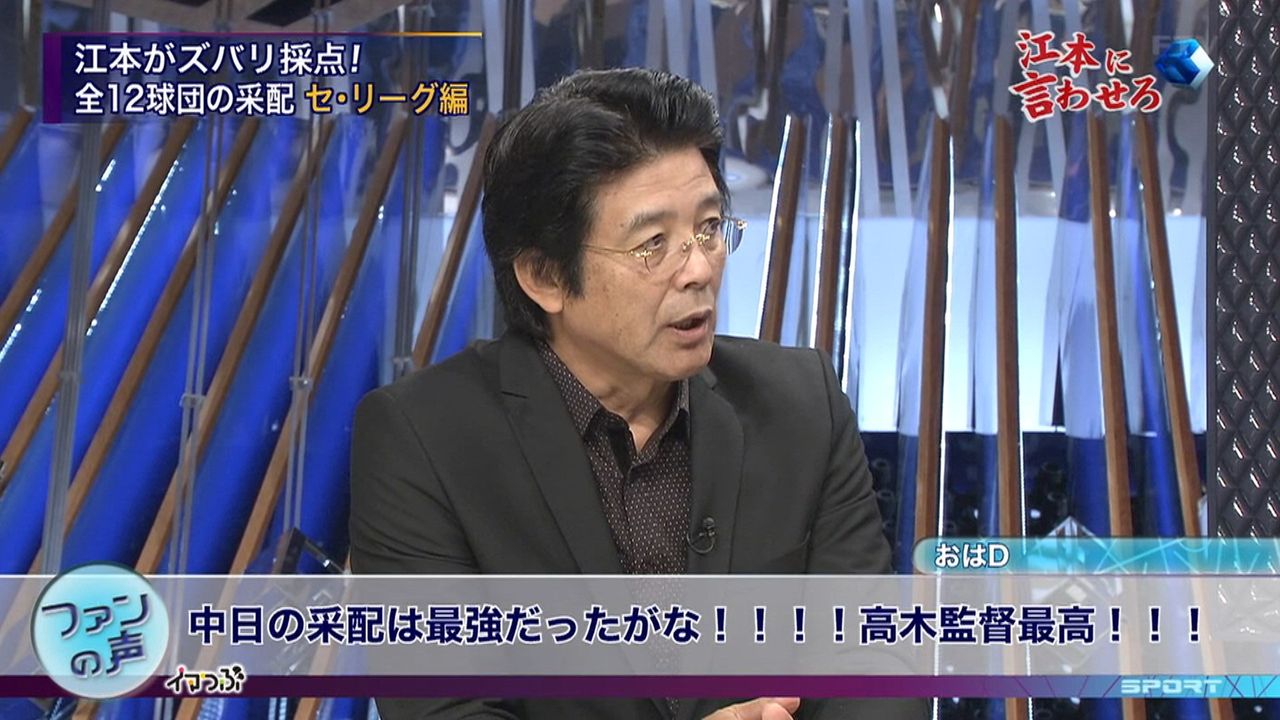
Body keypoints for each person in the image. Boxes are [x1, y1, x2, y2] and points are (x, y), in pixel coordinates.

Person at [349, 67, 926, 720]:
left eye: (709, 228)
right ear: (544, 276)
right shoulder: (423, 439)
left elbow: (871, 667)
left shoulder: (802, 405)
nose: (699, 268)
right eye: (654, 245)